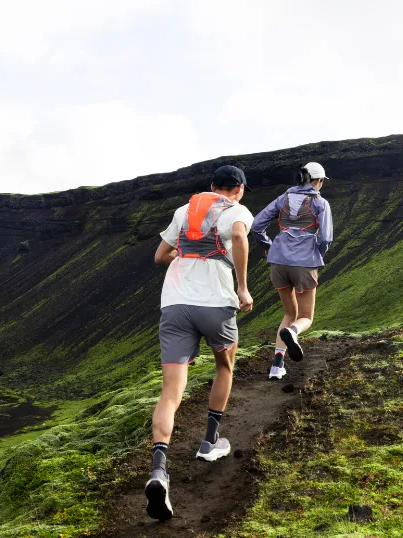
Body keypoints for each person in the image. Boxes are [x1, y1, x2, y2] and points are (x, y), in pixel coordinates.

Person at [145, 165, 254, 521]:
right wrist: (242, 287)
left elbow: (160, 256)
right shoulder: (236, 210)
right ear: (238, 190)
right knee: (225, 366)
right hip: (216, 303)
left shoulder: (183, 211)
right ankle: (210, 442)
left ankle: (159, 469)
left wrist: (186, 256)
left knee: (170, 393)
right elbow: (239, 238)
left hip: (175, 303)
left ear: (211, 187)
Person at [251, 162, 334, 381]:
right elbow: (325, 238)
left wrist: (269, 246)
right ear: (317, 181)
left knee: (289, 313)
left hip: (278, 262)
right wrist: (317, 254)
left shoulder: (282, 199)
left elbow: (256, 225)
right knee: (305, 317)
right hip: (304, 263)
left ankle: (277, 367)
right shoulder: (320, 203)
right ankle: (294, 332)